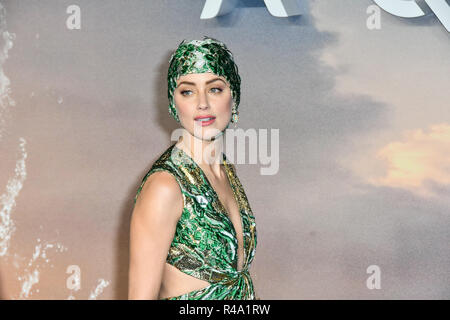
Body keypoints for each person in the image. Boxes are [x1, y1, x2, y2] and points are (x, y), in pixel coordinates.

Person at [128, 37, 258, 300]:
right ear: (173, 103)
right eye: (188, 91)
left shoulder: (225, 171)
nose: (202, 103)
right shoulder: (165, 186)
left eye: (215, 89)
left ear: (235, 95)